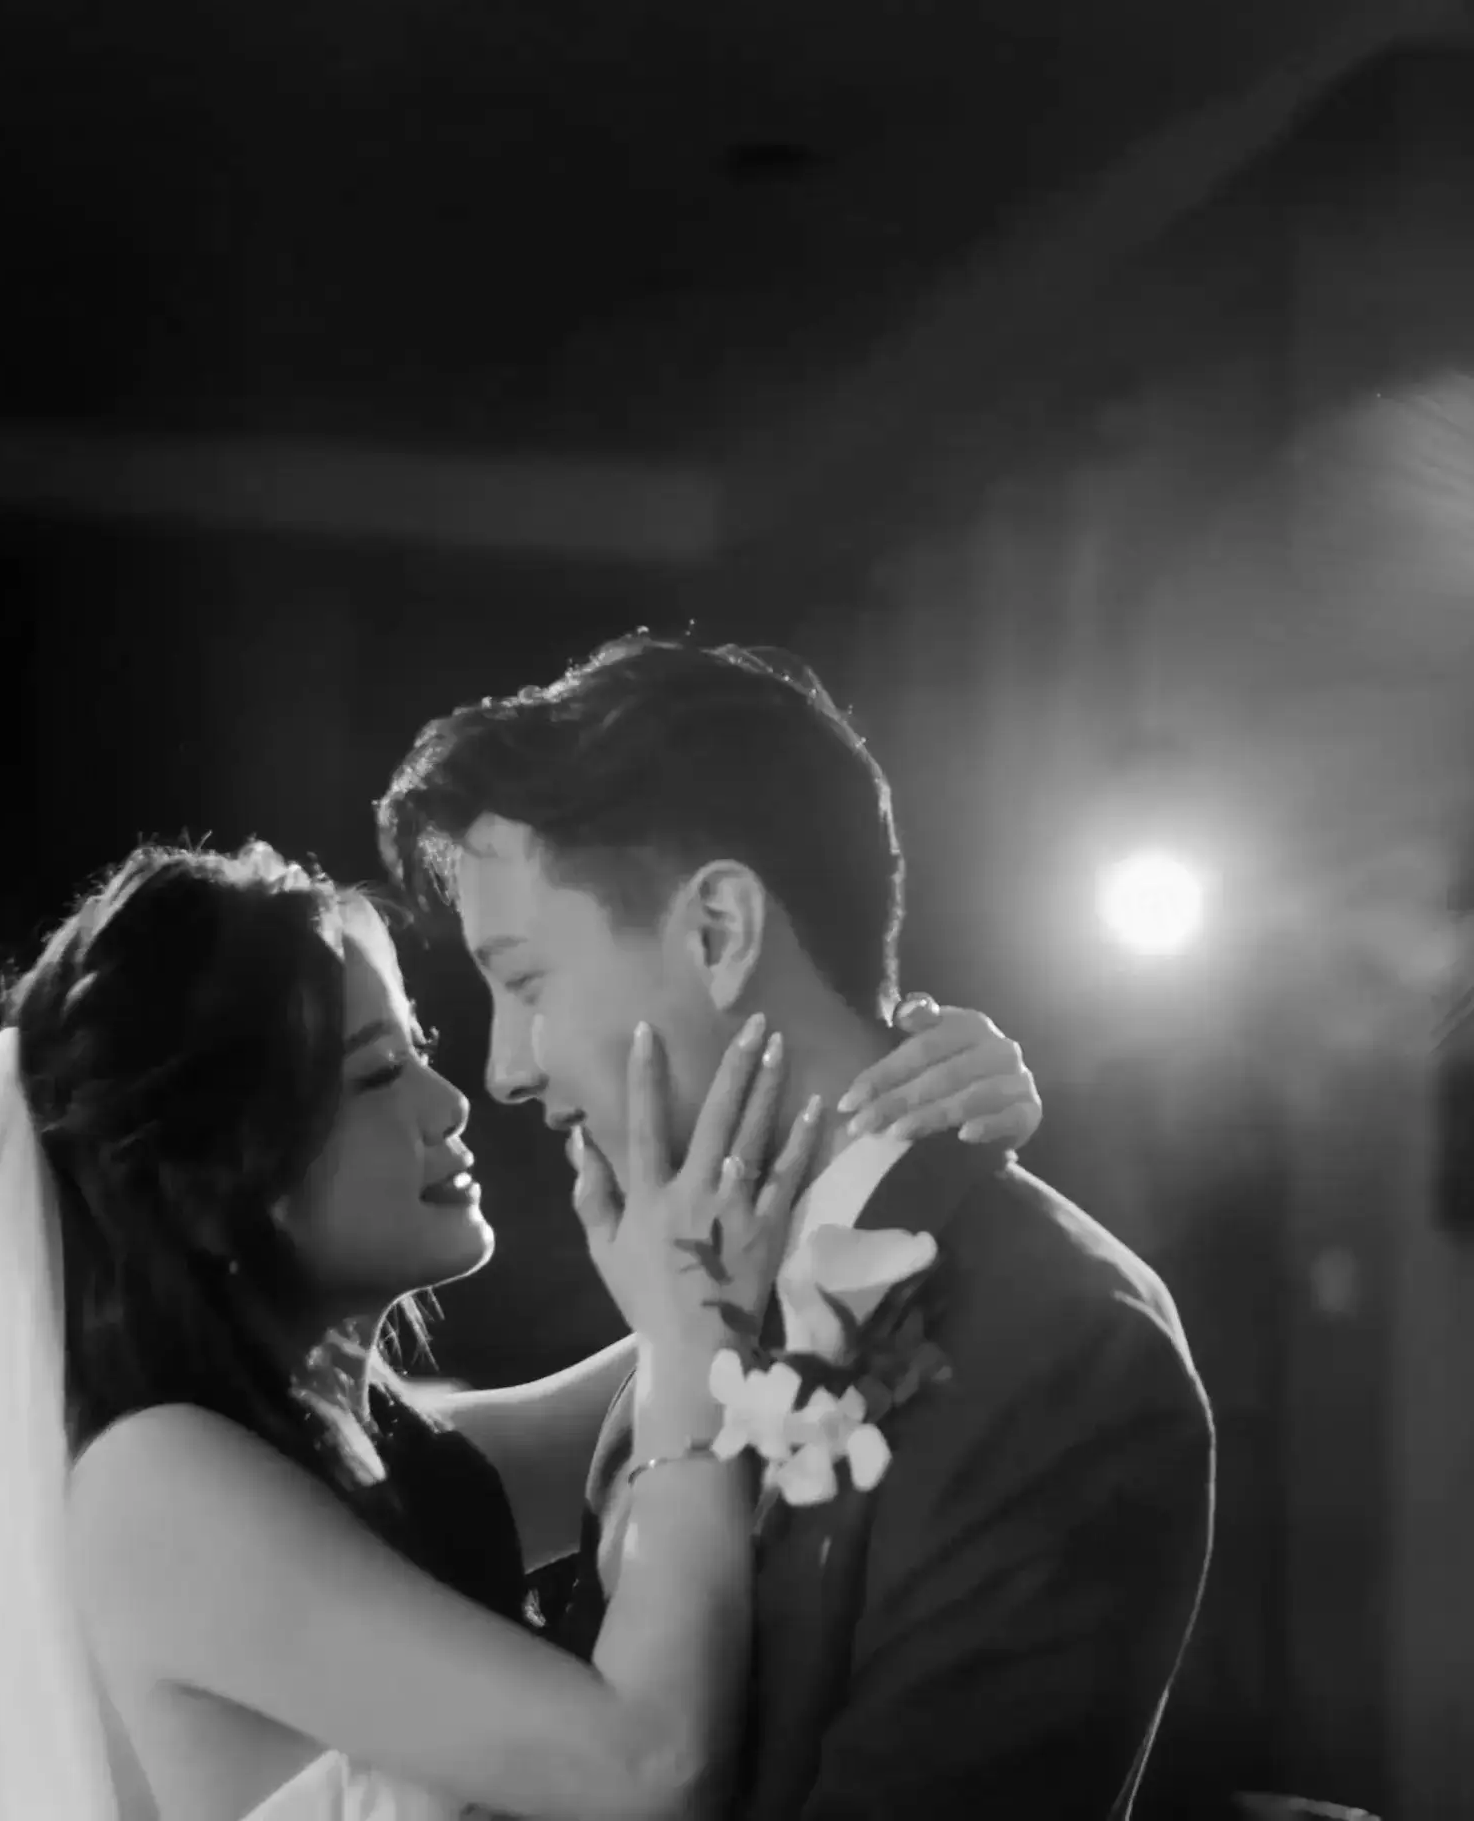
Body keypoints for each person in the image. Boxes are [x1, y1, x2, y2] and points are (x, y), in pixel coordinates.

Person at [0, 838, 1054, 1821]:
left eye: (422, 1051)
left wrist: (890, 1114)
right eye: (371, 1076)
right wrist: (687, 1337)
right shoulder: (152, 1486)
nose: (457, 1102)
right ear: (210, 1174)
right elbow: (648, 1766)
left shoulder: (372, 1460)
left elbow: (728, 1327)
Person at [378, 635, 1215, 1821]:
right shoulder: (685, 1336)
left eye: (525, 982)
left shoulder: (1065, 1343)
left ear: (718, 930)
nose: (505, 1071)